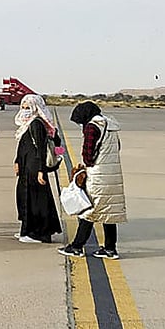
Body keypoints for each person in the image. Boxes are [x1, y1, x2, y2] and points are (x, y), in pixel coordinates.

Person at [58, 102, 127, 259]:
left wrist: (86, 165)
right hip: (112, 173)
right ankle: (110, 249)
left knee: (87, 210)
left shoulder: (92, 127)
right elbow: (118, 147)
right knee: (108, 211)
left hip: (98, 174)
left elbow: (88, 154)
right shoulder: (110, 125)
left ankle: (76, 246)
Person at [13, 94, 62, 244]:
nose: (25, 110)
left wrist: (41, 170)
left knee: (35, 200)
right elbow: (23, 146)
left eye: (28, 108)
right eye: (23, 107)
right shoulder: (28, 125)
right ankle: (28, 230)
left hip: (34, 168)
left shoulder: (36, 124)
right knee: (26, 197)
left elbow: (41, 148)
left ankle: (39, 234)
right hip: (27, 166)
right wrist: (17, 161)